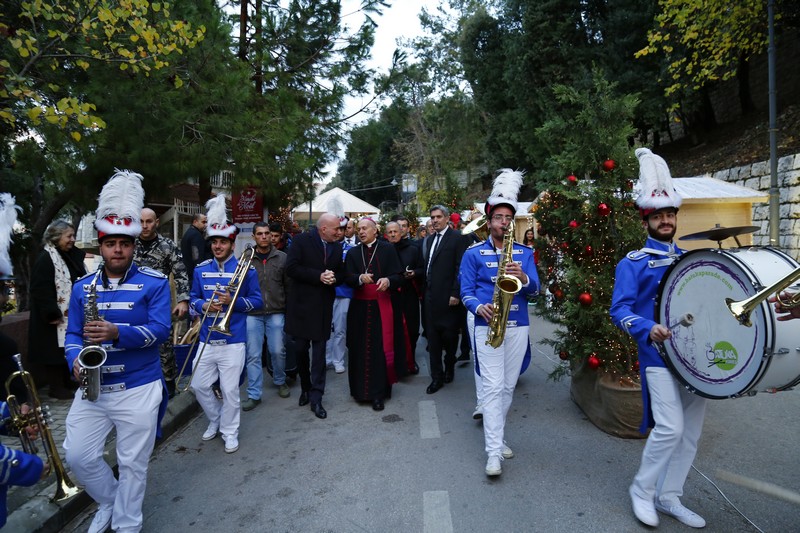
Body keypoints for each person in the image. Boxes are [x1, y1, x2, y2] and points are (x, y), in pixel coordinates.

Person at [63, 170, 172, 533]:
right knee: (78, 455)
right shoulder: (82, 287)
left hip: (139, 387)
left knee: (133, 464)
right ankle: (110, 500)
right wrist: (75, 360)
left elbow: (161, 330)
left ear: (133, 245)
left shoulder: (154, 283)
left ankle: (127, 525)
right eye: (111, 244)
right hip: (93, 388)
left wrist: (116, 332)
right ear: (101, 244)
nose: (118, 250)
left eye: (124, 243)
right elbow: (74, 334)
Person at [610, 148, 707, 529]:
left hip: (693, 357)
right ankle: (642, 490)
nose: (666, 221)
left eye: (670, 215)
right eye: (658, 216)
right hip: (656, 355)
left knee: (691, 434)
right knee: (671, 427)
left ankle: (670, 496)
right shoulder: (631, 263)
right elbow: (619, 310)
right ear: (646, 219)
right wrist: (646, 327)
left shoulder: (689, 260)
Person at [460, 169, 539, 477]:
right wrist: (479, 306)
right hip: (487, 325)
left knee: (507, 388)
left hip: (518, 324)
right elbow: (465, 291)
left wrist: (524, 278)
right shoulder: (473, 254)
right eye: (498, 218)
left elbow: (535, 292)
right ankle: (493, 452)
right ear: (489, 220)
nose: (503, 223)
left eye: (508, 218)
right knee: (492, 388)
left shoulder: (525, 253)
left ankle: (497, 436)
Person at [190, 195, 262, 453]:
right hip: (207, 338)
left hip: (233, 339)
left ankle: (230, 431)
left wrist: (235, 300)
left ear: (232, 244)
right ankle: (216, 418)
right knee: (198, 384)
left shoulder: (247, 270)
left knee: (230, 390)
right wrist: (202, 307)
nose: (218, 246)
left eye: (223, 242)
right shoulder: (200, 270)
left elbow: (257, 302)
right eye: (214, 242)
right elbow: (192, 301)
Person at [343, 218, 407, 410]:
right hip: (359, 308)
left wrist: (388, 280)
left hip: (382, 307)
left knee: (380, 348)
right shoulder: (354, 252)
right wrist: (358, 278)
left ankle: (379, 394)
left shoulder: (387, 249)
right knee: (358, 347)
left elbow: (399, 276)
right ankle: (359, 391)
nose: (361, 232)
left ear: (374, 231)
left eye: (365, 228)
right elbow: (346, 277)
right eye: (359, 229)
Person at [285, 213, 344, 419]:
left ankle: (317, 398)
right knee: (301, 350)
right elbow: (291, 268)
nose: (339, 232)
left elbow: (341, 273)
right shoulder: (301, 241)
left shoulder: (337, 247)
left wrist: (333, 277)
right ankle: (305, 386)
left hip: (322, 308)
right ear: (324, 229)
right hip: (301, 307)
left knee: (319, 355)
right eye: (336, 228)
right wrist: (318, 276)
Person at [134, 208, 189, 398]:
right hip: (132, 305)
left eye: (148, 221)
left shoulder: (168, 246)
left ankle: (168, 383)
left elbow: (181, 274)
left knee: (164, 344)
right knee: (135, 341)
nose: (144, 226)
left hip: (159, 304)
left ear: (156, 222)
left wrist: (183, 301)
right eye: (141, 221)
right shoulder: (128, 244)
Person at [27, 220, 86, 399]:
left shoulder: (67, 255)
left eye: (73, 236)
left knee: (64, 349)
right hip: (52, 317)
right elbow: (40, 288)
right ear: (56, 237)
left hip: (68, 313)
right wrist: (51, 312)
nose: (72, 240)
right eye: (69, 236)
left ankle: (66, 381)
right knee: (53, 352)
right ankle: (56, 387)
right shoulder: (46, 258)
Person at [242, 221, 290, 411]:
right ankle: (254, 394)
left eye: (267, 233)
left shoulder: (282, 258)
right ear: (254, 237)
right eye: (259, 234)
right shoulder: (246, 257)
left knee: (277, 350)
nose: (263, 236)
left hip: (276, 311)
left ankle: (280, 380)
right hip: (253, 313)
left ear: (272, 236)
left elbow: (288, 286)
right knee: (253, 355)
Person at [423, 205, 469, 394]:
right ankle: (437, 377)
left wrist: (456, 293)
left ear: (447, 218)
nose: (434, 220)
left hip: (449, 298)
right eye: (432, 217)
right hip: (430, 298)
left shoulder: (458, 238)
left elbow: (461, 267)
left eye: (438, 217)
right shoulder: (429, 239)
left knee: (450, 338)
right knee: (432, 340)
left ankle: (449, 366)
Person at [386, 221, 424, 374]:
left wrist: (414, 273)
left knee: (412, 329)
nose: (393, 234)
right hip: (389, 295)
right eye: (390, 232)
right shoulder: (382, 250)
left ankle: (410, 360)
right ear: (386, 234)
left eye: (396, 231)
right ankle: (394, 363)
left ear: (401, 232)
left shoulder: (413, 249)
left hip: (409, 295)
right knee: (392, 330)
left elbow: (422, 269)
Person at [325, 214, 353, 374]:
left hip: (343, 293)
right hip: (325, 293)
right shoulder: (323, 247)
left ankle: (338, 359)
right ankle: (326, 358)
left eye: (342, 228)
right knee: (325, 328)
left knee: (341, 329)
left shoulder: (351, 249)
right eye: (337, 228)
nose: (339, 232)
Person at [180, 212, 209, 279]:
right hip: (194, 275)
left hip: (189, 273)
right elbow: (197, 257)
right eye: (203, 222)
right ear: (195, 222)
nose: (206, 225)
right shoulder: (196, 235)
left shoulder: (189, 232)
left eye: (206, 222)